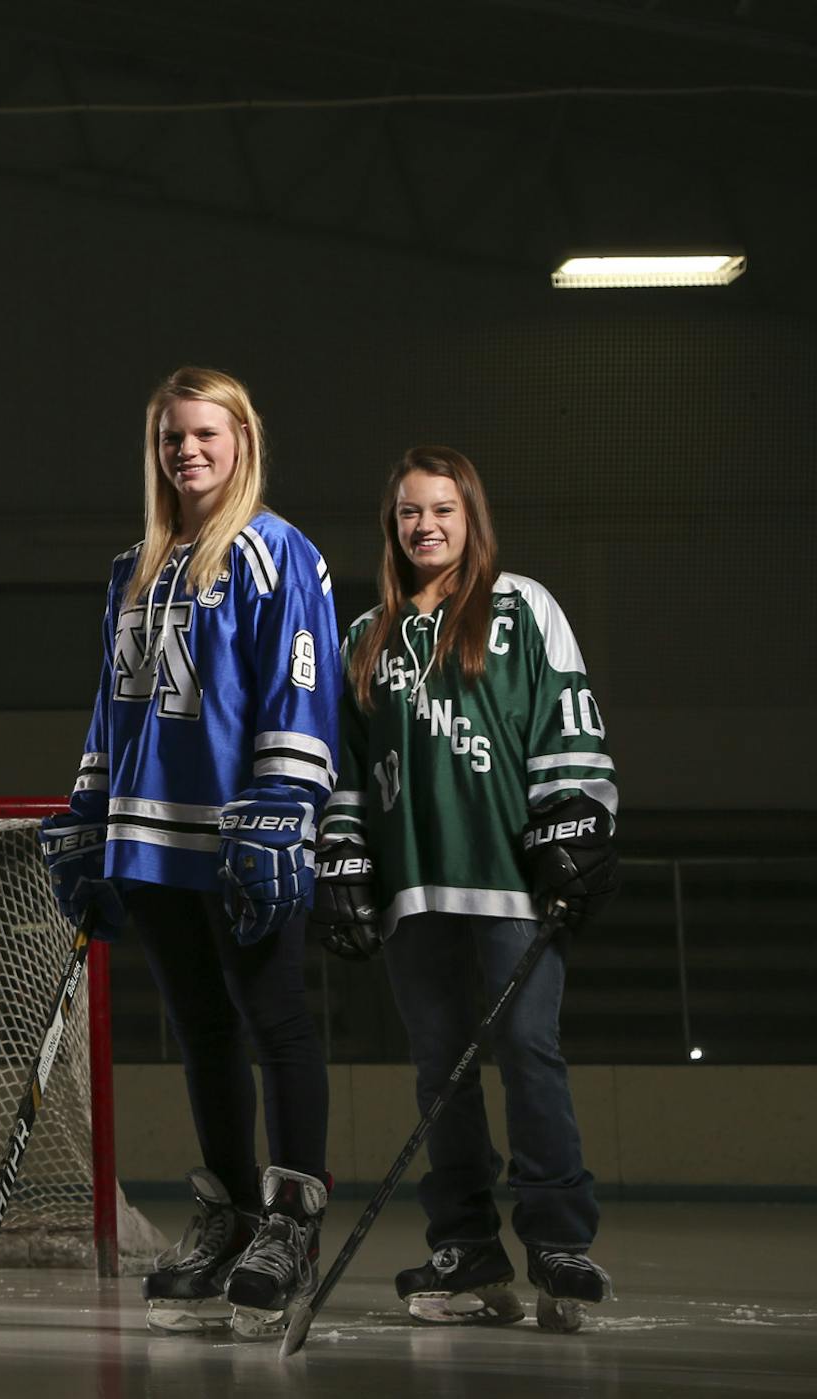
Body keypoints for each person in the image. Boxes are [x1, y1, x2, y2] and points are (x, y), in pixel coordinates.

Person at [40, 366, 340, 1339]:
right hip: (150, 836)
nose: (189, 452)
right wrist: (91, 811)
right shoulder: (136, 564)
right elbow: (110, 707)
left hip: (238, 830)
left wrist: (283, 800)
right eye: (173, 438)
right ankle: (231, 1215)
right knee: (201, 1028)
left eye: (206, 434)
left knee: (276, 1017)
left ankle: (292, 1221)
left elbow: (300, 687)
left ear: (241, 440)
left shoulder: (276, 552)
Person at [314, 446, 619, 1333]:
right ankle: (465, 1247)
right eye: (410, 512)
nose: (426, 525)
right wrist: (345, 858)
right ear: (392, 525)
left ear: (470, 517)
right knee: (439, 1074)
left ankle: (559, 1239)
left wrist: (574, 822)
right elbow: (345, 771)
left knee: (529, 1050)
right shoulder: (363, 636)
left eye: (442, 508)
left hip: (512, 885)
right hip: (415, 892)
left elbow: (567, 719)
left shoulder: (524, 609)